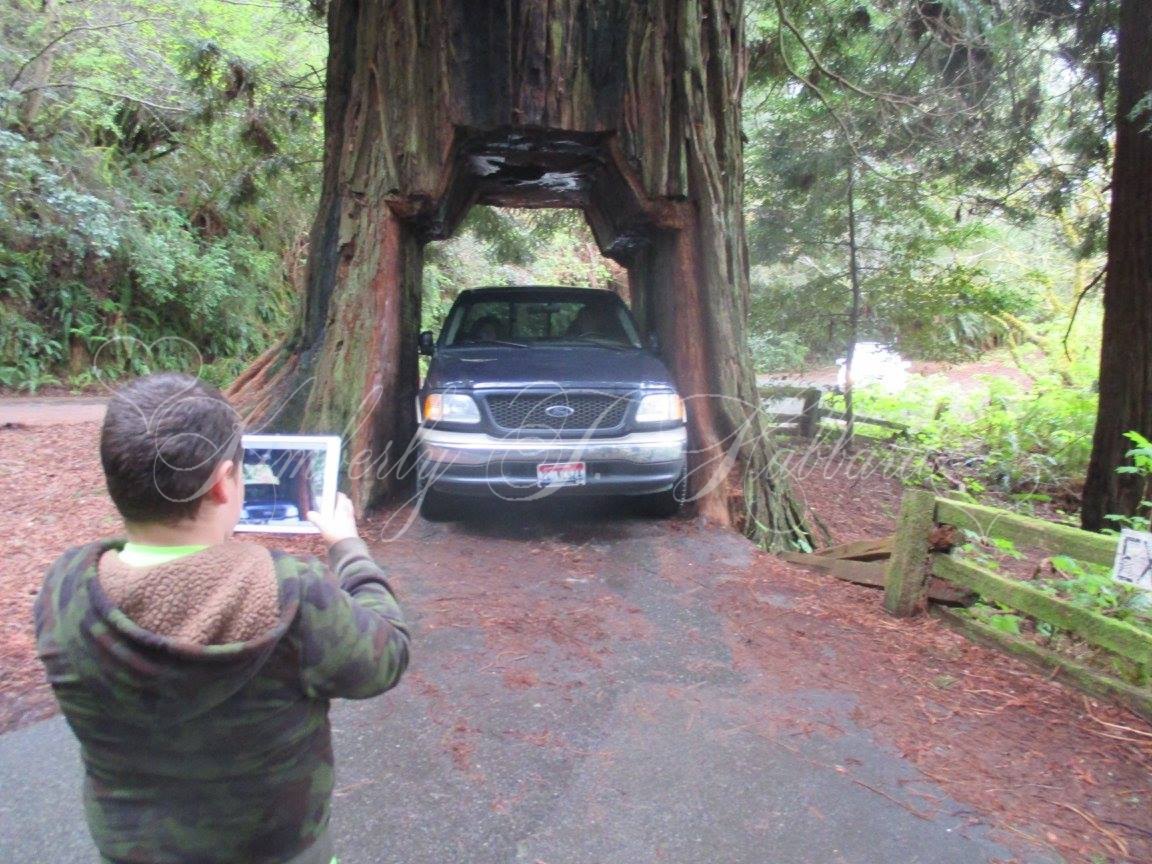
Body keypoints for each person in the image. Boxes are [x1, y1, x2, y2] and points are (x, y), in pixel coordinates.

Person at [34, 372, 410, 864]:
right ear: (220, 485)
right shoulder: (292, 593)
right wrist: (349, 548)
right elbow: (388, 655)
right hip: (279, 851)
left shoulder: (64, 589)